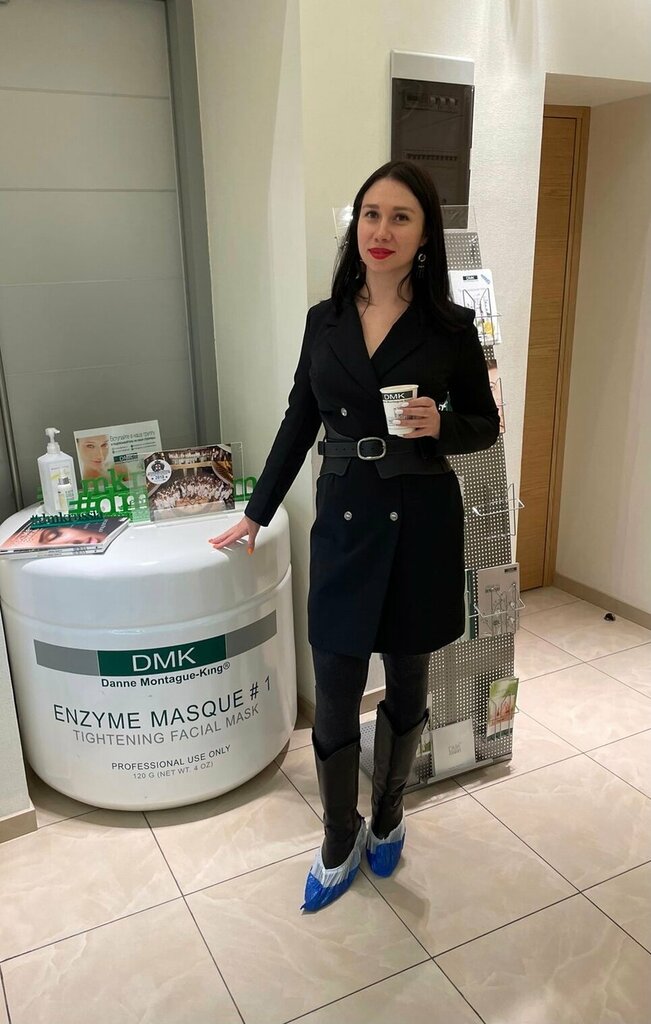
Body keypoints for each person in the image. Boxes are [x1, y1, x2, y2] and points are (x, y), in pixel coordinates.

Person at [209, 160, 500, 912]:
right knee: (336, 691)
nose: (382, 230)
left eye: (401, 217)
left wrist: (442, 425)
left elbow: (484, 423)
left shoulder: (450, 327)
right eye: (372, 214)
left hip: (420, 520)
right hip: (343, 516)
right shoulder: (325, 320)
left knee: (406, 678)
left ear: (424, 235)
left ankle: (390, 812)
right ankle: (339, 835)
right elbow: (298, 420)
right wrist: (256, 510)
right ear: (357, 225)